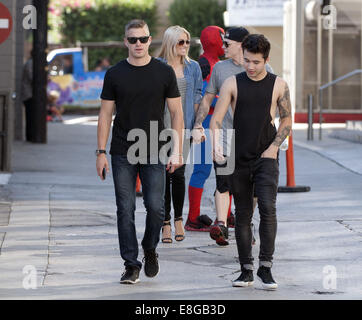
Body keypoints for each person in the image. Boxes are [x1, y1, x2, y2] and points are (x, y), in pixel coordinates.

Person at [96, 19, 184, 285]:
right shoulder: (114, 74)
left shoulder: (164, 72)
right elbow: (105, 114)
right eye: (133, 40)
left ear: (149, 41)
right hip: (122, 149)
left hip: (155, 148)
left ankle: (149, 248)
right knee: (125, 208)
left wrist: (177, 150)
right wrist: (100, 151)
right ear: (126, 41)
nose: (138, 44)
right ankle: (131, 264)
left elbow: (176, 112)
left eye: (143, 39)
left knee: (156, 208)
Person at [210, 34, 292, 290]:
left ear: (266, 59)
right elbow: (216, 119)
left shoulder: (279, 84)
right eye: (246, 61)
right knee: (243, 214)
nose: (250, 66)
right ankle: (246, 270)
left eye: (256, 62)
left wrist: (274, 148)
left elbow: (287, 120)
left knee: (268, 207)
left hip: (267, 155)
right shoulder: (232, 83)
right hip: (239, 155)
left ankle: (265, 267)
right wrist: (215, 147)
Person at [192, 27, 273, 246]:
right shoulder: (220, 69)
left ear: (242, 44)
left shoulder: (264, 68)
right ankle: (221, 225)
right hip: (225, 137)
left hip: (253, 140)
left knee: (252, 189)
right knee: (223, 181)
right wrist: (199, 123)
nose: (223, 47)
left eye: (227, 43)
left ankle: (245, 222)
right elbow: (208, 98)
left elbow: (272, 104)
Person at [157, 26, 203, 243]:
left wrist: (197, 124)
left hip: (183, 127)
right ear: (170, 43)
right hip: (160, 128)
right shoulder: (157, 66)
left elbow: (197, 96)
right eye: (180, 42)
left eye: (187, 42)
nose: (185, 46)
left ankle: (178, 220)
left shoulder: (193, 67)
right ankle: (165, 223)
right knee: (164, 175)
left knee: (179, 173)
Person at [185, 25, 226, 233]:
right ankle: (192, 218)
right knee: (202, 169)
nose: (225, 43)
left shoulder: (217, 64)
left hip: (218, 124)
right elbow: (200, 98)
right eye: (222, 38)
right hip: (206, 124)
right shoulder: (204, 65)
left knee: (225, 168)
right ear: (213, 41)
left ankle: (226, 215)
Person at [21, 53, 33, 142]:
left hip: (29, 93)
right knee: (30, 116)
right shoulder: (30, 63)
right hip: (28, 94)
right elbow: (31, 77)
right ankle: (30, 136)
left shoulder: (31, 62)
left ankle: (30, 135)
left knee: (31, 116)